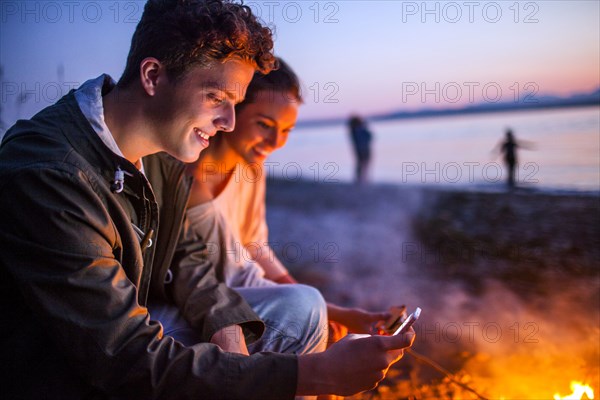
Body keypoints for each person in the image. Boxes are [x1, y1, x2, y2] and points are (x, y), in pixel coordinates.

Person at [0, 1, 414, 399]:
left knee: (296, 308)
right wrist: (315, 374)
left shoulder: (158, 151)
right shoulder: (51, 175)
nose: (229, 122)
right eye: (217, 98)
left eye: (235, 105)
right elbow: (124, 355)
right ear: (152, 76)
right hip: (73, 374)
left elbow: (189, 256)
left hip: (136, 336)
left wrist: (227, 328)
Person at [186, 58, 390, 343]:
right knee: (310, 326)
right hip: (199, 306)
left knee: (342, 337)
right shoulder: (186, 174)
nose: (274, 142)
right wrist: (318, 308)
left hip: (237, 295)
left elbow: (255, 247)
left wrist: (325, 309)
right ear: (232, 111)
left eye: (285, 131)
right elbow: (223, 275)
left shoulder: (251, 171)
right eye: (264, 125)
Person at [348, 115, 373, 184]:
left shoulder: (353, 130)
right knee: (363, 164)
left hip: (359, 149)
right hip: (363, 149)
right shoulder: (357, 130)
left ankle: (360, 179)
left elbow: (369, 137)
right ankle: (362, 179)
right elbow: (369, 137)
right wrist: (364, 127)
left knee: (360, 164)